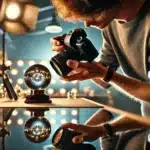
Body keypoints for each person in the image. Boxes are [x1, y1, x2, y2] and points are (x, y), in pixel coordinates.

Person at [50, 0, 150, 149]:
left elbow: (106, 75)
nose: (87, 24)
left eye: (90, 14)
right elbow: (103, 79)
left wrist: (106, 74)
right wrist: (77, 57)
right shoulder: (111, 25)